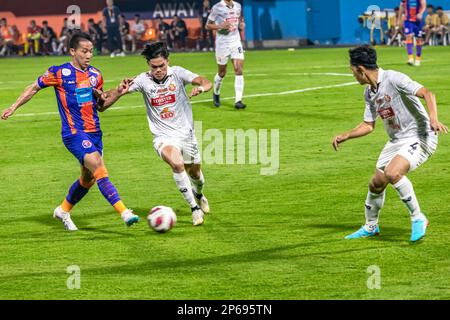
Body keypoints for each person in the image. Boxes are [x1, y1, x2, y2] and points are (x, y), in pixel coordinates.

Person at [1, 33, 139, 231]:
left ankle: (63, 210)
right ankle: (125, 212)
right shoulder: (59, 73)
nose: (89, 55)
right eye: (84, 51)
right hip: (73, 133)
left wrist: (118, 92)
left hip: (94, 133)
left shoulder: (95, 75)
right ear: (72, 51)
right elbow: (33, 88)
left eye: (91, 51)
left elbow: (101, 106)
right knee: (99, 167)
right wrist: (14, 107)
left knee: (88, 179)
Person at [332, 46, 448, 242]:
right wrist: (346, 135)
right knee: (376, 183)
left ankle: (418, 218)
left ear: (360, 69)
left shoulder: (394, 78)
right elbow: (369, 125)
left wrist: (434, 119)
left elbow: (428, 93)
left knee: (393, 173)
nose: (353, 76)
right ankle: (370, 226)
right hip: (396, 141)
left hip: (420, 136)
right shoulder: (369, 93)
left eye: (353, 71)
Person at [96, 42, 212, 226]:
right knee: (177, 163)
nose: (158, 70)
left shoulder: (178, 73)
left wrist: (201, 88)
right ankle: (194, 209)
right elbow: (111, 97)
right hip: (163, 136)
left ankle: (199, 194)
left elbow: (206, 81)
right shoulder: (143, 80)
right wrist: (116, 92)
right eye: (154, 67)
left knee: (195, 173)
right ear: (148, 65)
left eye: (161, 66)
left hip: (186, 134)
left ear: (168, 61)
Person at [206, 0, 246, 109]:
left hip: (235, 42)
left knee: (238, 69)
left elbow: (240, 18)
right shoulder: (217, 7)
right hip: (222, 44)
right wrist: (220, 26)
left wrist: (242, 24)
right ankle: (216, 92)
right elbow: (208, 25)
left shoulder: (238, 6)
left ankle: (238, 101)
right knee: (222, 72)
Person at [398, 0, 426, 66]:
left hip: (417, 21)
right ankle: (410, 58)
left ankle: (418, 59)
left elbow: (423, 6)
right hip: (408, 21)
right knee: (409, 36)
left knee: (418, 39)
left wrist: (421, 13)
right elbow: (401, 7)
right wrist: (399, 20)